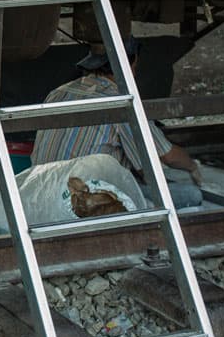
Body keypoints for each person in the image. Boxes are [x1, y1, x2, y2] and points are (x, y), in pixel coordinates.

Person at [31, 36, 205, 209]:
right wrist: (192, 166)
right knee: (191, 195)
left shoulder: (58, 93)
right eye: (136, 65)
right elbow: (167, 156)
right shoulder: (119, 103)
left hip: (44, 192)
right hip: (84, 201)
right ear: (130, 64)